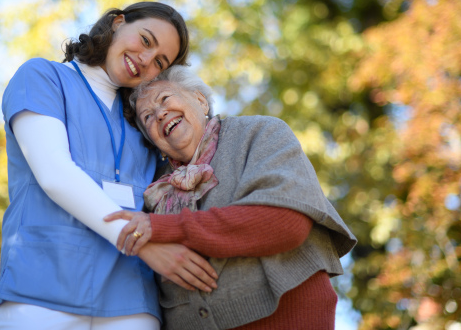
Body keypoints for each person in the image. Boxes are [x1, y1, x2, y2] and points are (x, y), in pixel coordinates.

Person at [0, 2, 218, 330]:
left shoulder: (145, 123)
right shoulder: (42, 77)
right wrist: (147, 245)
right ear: (117, 22)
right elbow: (55, 174)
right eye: (145, 40)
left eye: (159, 62)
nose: (144, 60)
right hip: (40, 291)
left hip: (132, 301)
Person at [105, 66, 358, 329]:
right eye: (147, 118)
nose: (159, 115)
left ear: (200, 100)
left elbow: (285, 223)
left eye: (165, 99)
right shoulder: (152, 187)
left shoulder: (259, 133)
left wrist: (164, 228)